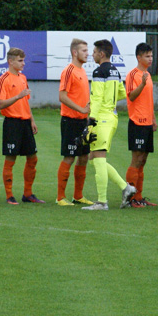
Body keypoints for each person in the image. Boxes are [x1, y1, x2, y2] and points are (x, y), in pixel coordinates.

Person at [83, 39, 136, 211]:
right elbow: (121, 93)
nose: (92, 55)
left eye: (94, 52)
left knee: (98, 159)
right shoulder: (114, 70)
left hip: (102, 118)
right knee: (93, 159)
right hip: (111, 117)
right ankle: (125, 188)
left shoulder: (99, 71)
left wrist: (91, 119)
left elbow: (97, 97)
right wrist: (109, 99)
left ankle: (102, 202)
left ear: (101, 54)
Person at [0, 48, 44, 205]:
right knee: (11, 158)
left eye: (23, 60)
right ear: (11, 61)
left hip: (25, 123)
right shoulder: (4, 79)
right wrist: (17, 96)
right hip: (12, 123)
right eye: (20, 60)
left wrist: (32, 120)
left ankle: (28, 194)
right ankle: (9, 196)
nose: (23, 63)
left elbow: (25, 102)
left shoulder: (23, 78)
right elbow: (0, 104)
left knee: (33, 158)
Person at [55, 39, 93, 206]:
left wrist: (86, 113)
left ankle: (78, 196)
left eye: (87, 50)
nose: (87, 53)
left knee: (84, 157)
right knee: (69, 157)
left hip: (82, 121)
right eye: (84, 50)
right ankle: (60, 197)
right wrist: (81, 109)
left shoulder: (82, 71)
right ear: (74, 52)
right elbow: (62, 96)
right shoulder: (69, 71)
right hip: (70, 121)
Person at [125, 43, 157, 207]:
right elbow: (131, 96)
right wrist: (142, 84)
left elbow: (148, 99)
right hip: (137, 121)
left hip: (147, 122)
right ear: (139, 57)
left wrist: (153, 118)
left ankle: (138, 197)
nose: (150, 59)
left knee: (143, 160)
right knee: (136, 159)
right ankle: (130, 199)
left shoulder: (147, 74)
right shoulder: (133, 75)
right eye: (147, 56)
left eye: (151, 56)